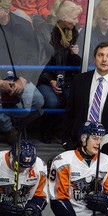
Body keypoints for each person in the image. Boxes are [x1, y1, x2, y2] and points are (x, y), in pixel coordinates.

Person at [62, 41, 108, 160]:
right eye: (100, 55)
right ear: (94, 58)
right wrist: (67, 143)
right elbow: (69, 114)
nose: (104, 59)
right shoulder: (80, 80)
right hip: (78, 147)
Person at [49, 121, 108, 215]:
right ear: (83, 138)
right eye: (95, 138)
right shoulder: (63, 162)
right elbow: (58, 199)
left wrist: (107, 202)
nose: (99, 142)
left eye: (101, 138)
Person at [37, 0, 82, 143]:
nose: (76, 22)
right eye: (74, 18)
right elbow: (39, 61)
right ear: (64, 18)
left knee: (75, 99)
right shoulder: (45, 30)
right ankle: (45, 132)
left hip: (66, 79)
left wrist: (74, 55)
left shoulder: (74, 32)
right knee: (53, 101)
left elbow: (75, 65)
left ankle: (67, 135)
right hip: (44, 77)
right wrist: (50, 80)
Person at [0, 0, 44, 145]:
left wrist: (23, 79)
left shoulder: (23, 26)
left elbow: (33, 56)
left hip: (20, 76)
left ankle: (13, 122)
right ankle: (7, 130)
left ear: (6, 11)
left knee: (38, 101)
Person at [0, 139, 48, 215]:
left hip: (22, 210)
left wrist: (34, 207)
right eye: (20, 166)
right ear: (11, 156)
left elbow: (41, 194)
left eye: (27, 167)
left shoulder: (40, 167)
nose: (22, 170)